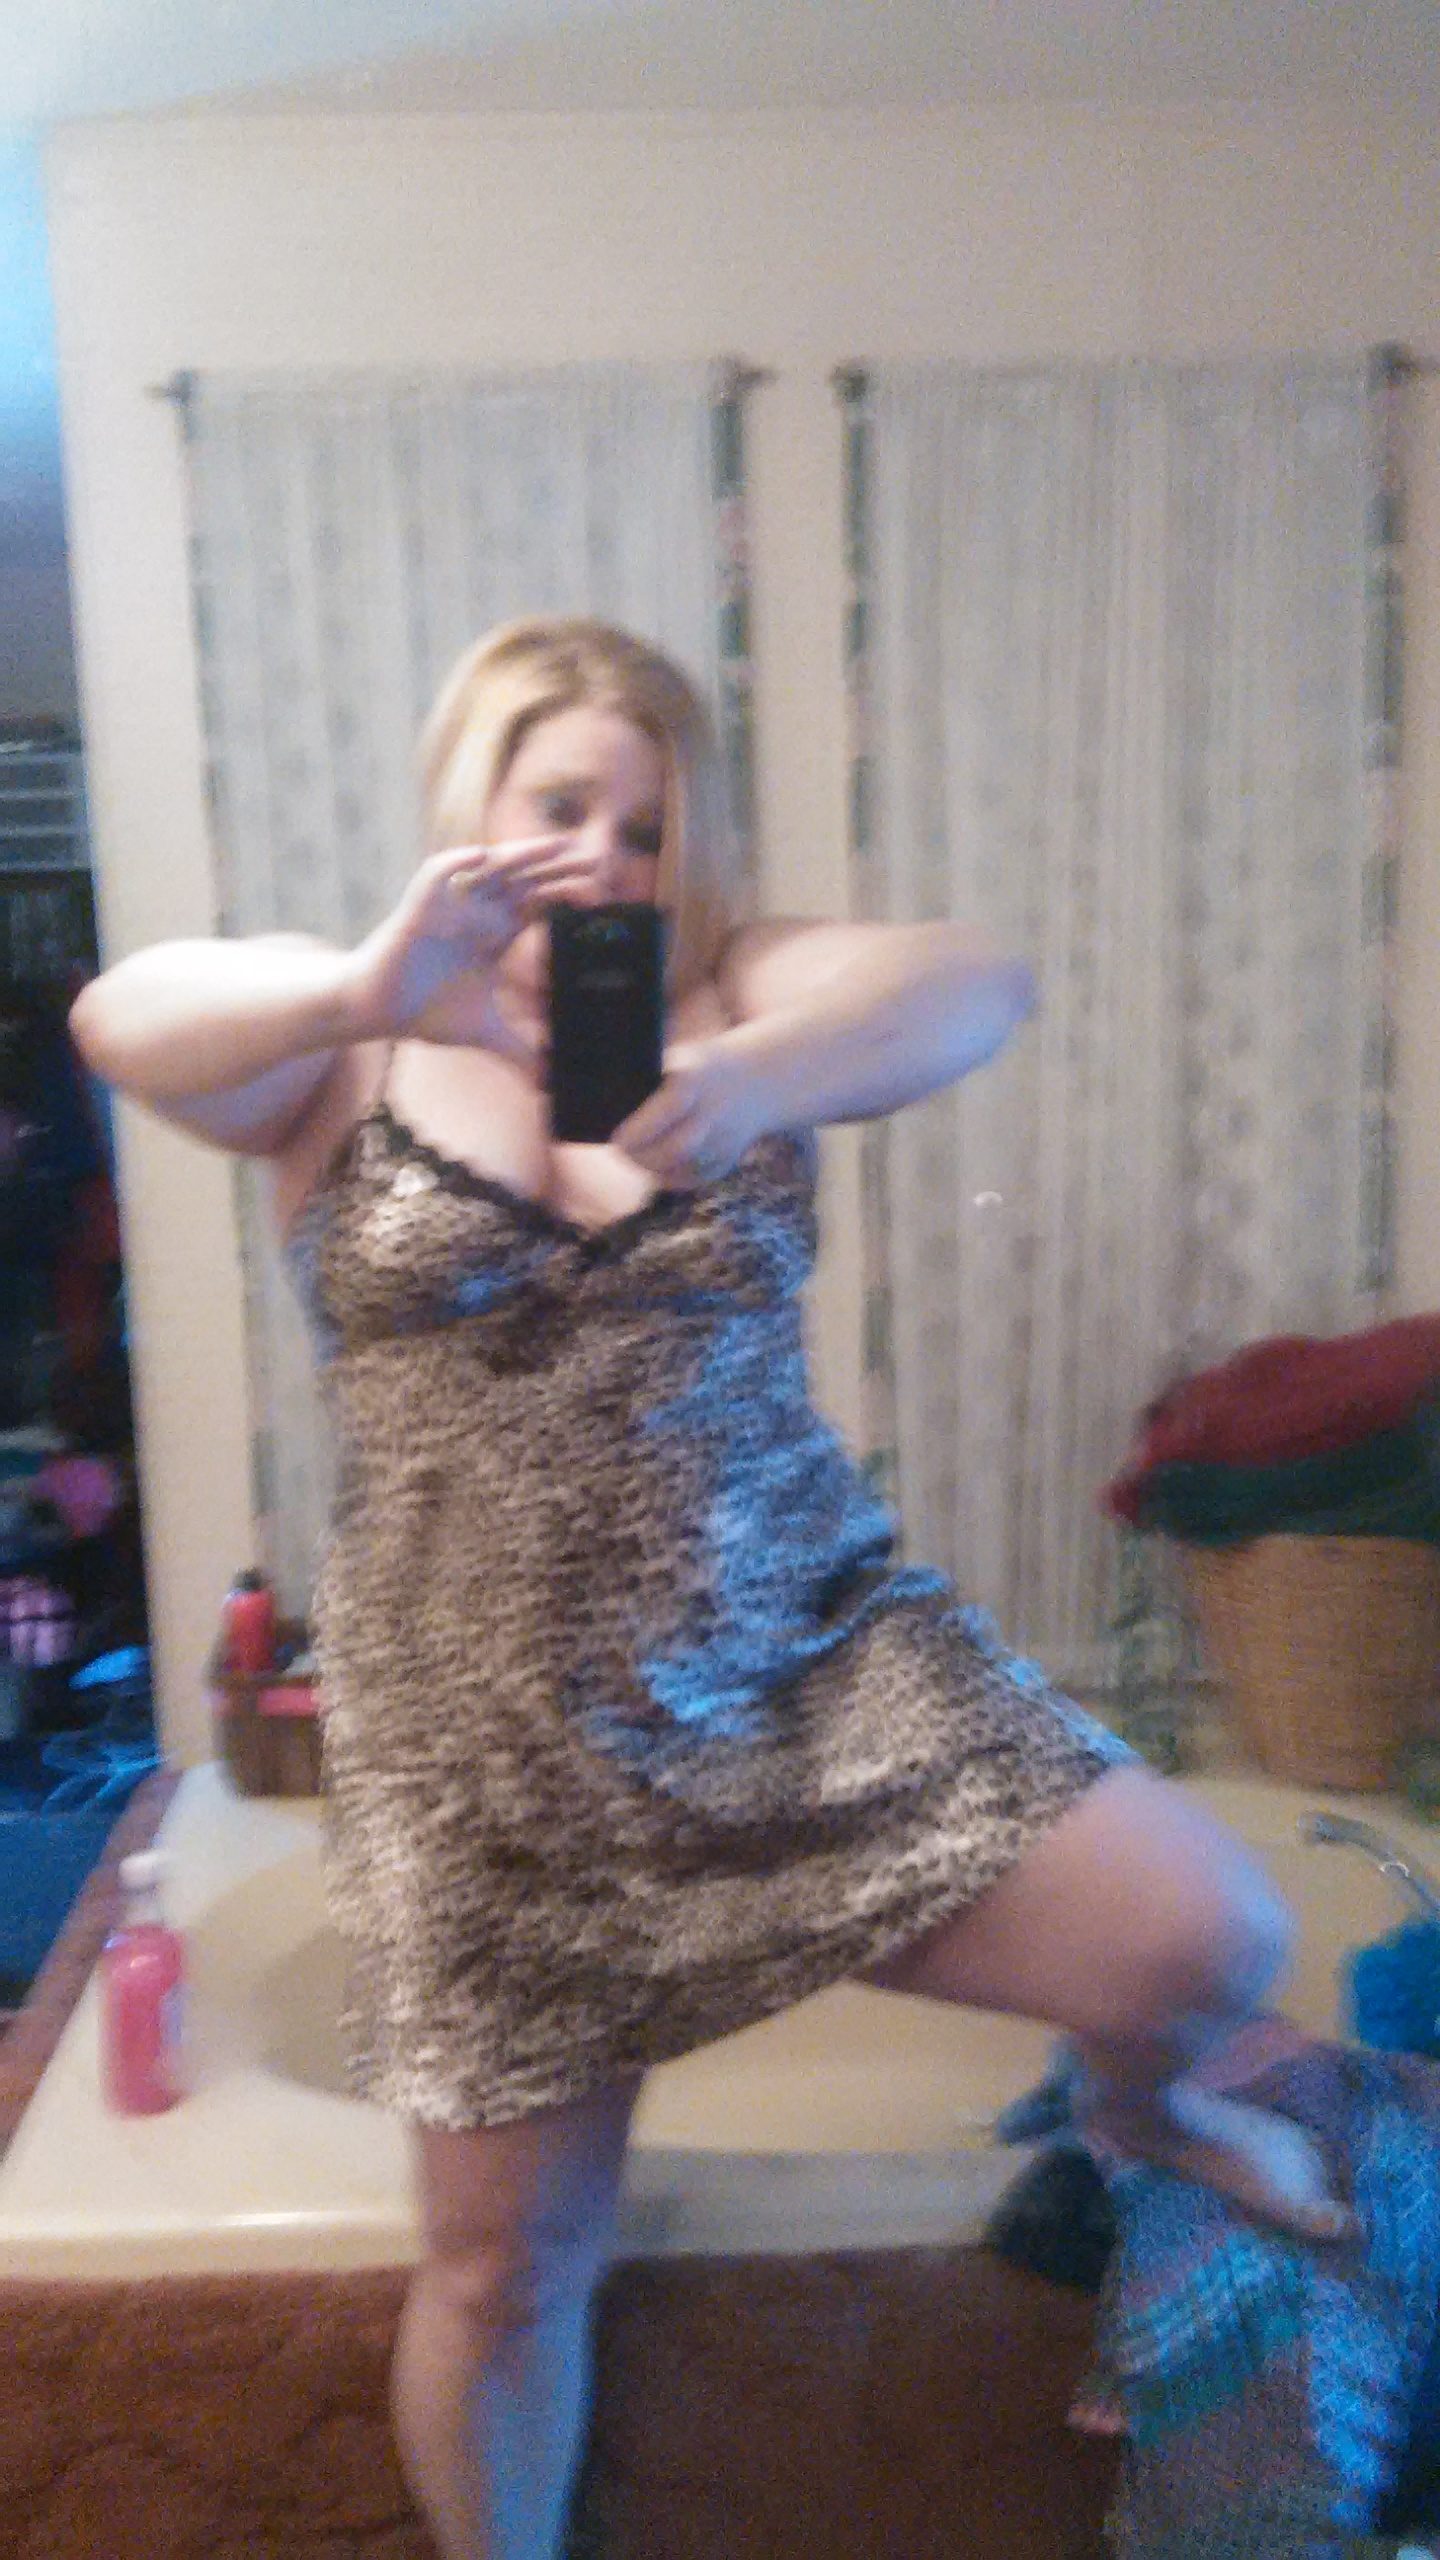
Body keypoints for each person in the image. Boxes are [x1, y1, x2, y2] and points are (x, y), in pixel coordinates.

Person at [71, 617, 1349, 2560]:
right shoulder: (353, 1040)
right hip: (494, 1767)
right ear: (476, 806)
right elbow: (120, 1014)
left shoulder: (740, 994)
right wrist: (358, 980)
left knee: (1206, 1932)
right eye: (560, 803)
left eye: (648, 822)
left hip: (803, 1660)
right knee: (507, 2268)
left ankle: (1146, 2111)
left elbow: (974, 979)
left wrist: (743, 1073)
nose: (604, 853)